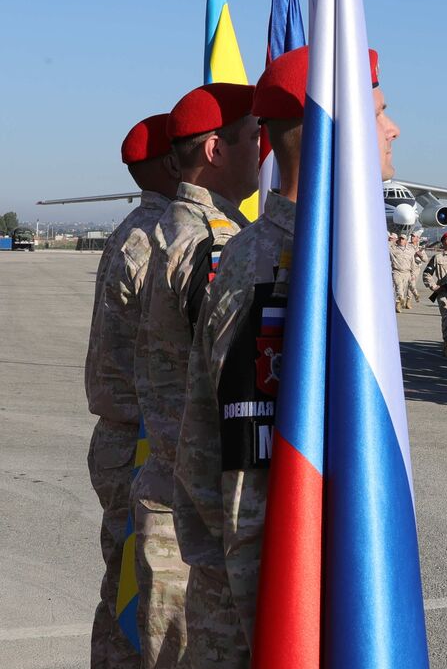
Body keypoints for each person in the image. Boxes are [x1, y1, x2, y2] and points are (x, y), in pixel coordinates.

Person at [173, 46, 398, 665]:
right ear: (336, 127)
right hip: (295, 614)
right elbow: (253, 501)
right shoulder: (272, 275)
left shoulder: (336, 263)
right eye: (377, 112)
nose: (393, 128)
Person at [133, 83, 260, 667]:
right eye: (254, 137)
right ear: (215, 150)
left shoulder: (171, 228)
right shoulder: (215, 243)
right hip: (197, 504)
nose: (265, 150)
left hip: (168, 484)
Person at [86, 114, 179, 669]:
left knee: (123, 592)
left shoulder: (132, 229)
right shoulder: (155, 239)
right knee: (144, 603)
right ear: (173, 163)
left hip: (120, 435)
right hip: (140, 440)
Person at [422, 231, 447, 353]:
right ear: (443, 242)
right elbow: (427, 273)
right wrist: (434, 286)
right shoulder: (437, 258)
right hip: (444, 293)